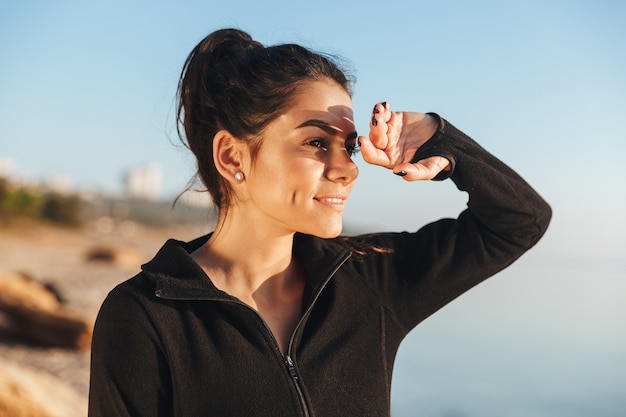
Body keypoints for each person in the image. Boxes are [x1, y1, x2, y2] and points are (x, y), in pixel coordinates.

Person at [88, 28, 551, 417]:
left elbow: (519, 220)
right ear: (232, 156)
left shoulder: (369, 281)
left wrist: (435, 137)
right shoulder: (147, 313)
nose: (348, 168)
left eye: (348, 147)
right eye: (315, 143)